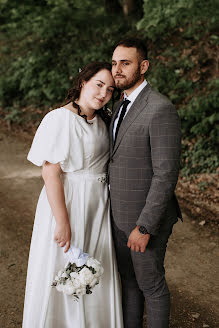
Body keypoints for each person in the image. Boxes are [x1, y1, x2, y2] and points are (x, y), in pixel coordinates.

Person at [22, 62, 124, 328]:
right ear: (83, 83)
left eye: (110, 89)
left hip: (98, 204)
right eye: (98, 85)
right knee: (64, 267)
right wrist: (62, 222)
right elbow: (50, 173)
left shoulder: (103, 120)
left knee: (95, 269)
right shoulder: (58, 119)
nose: (103, 93)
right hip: (68, 203)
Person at [109, 38, 182, 328]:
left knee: (150, 285)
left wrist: (144, 226)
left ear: (144, 66)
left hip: (144, 220)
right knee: (128, 283)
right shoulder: (119, 106)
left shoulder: (160, 108)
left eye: (125, 63)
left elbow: (165, 174)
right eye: (114, 63)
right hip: (118, 216)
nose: (117, 69)